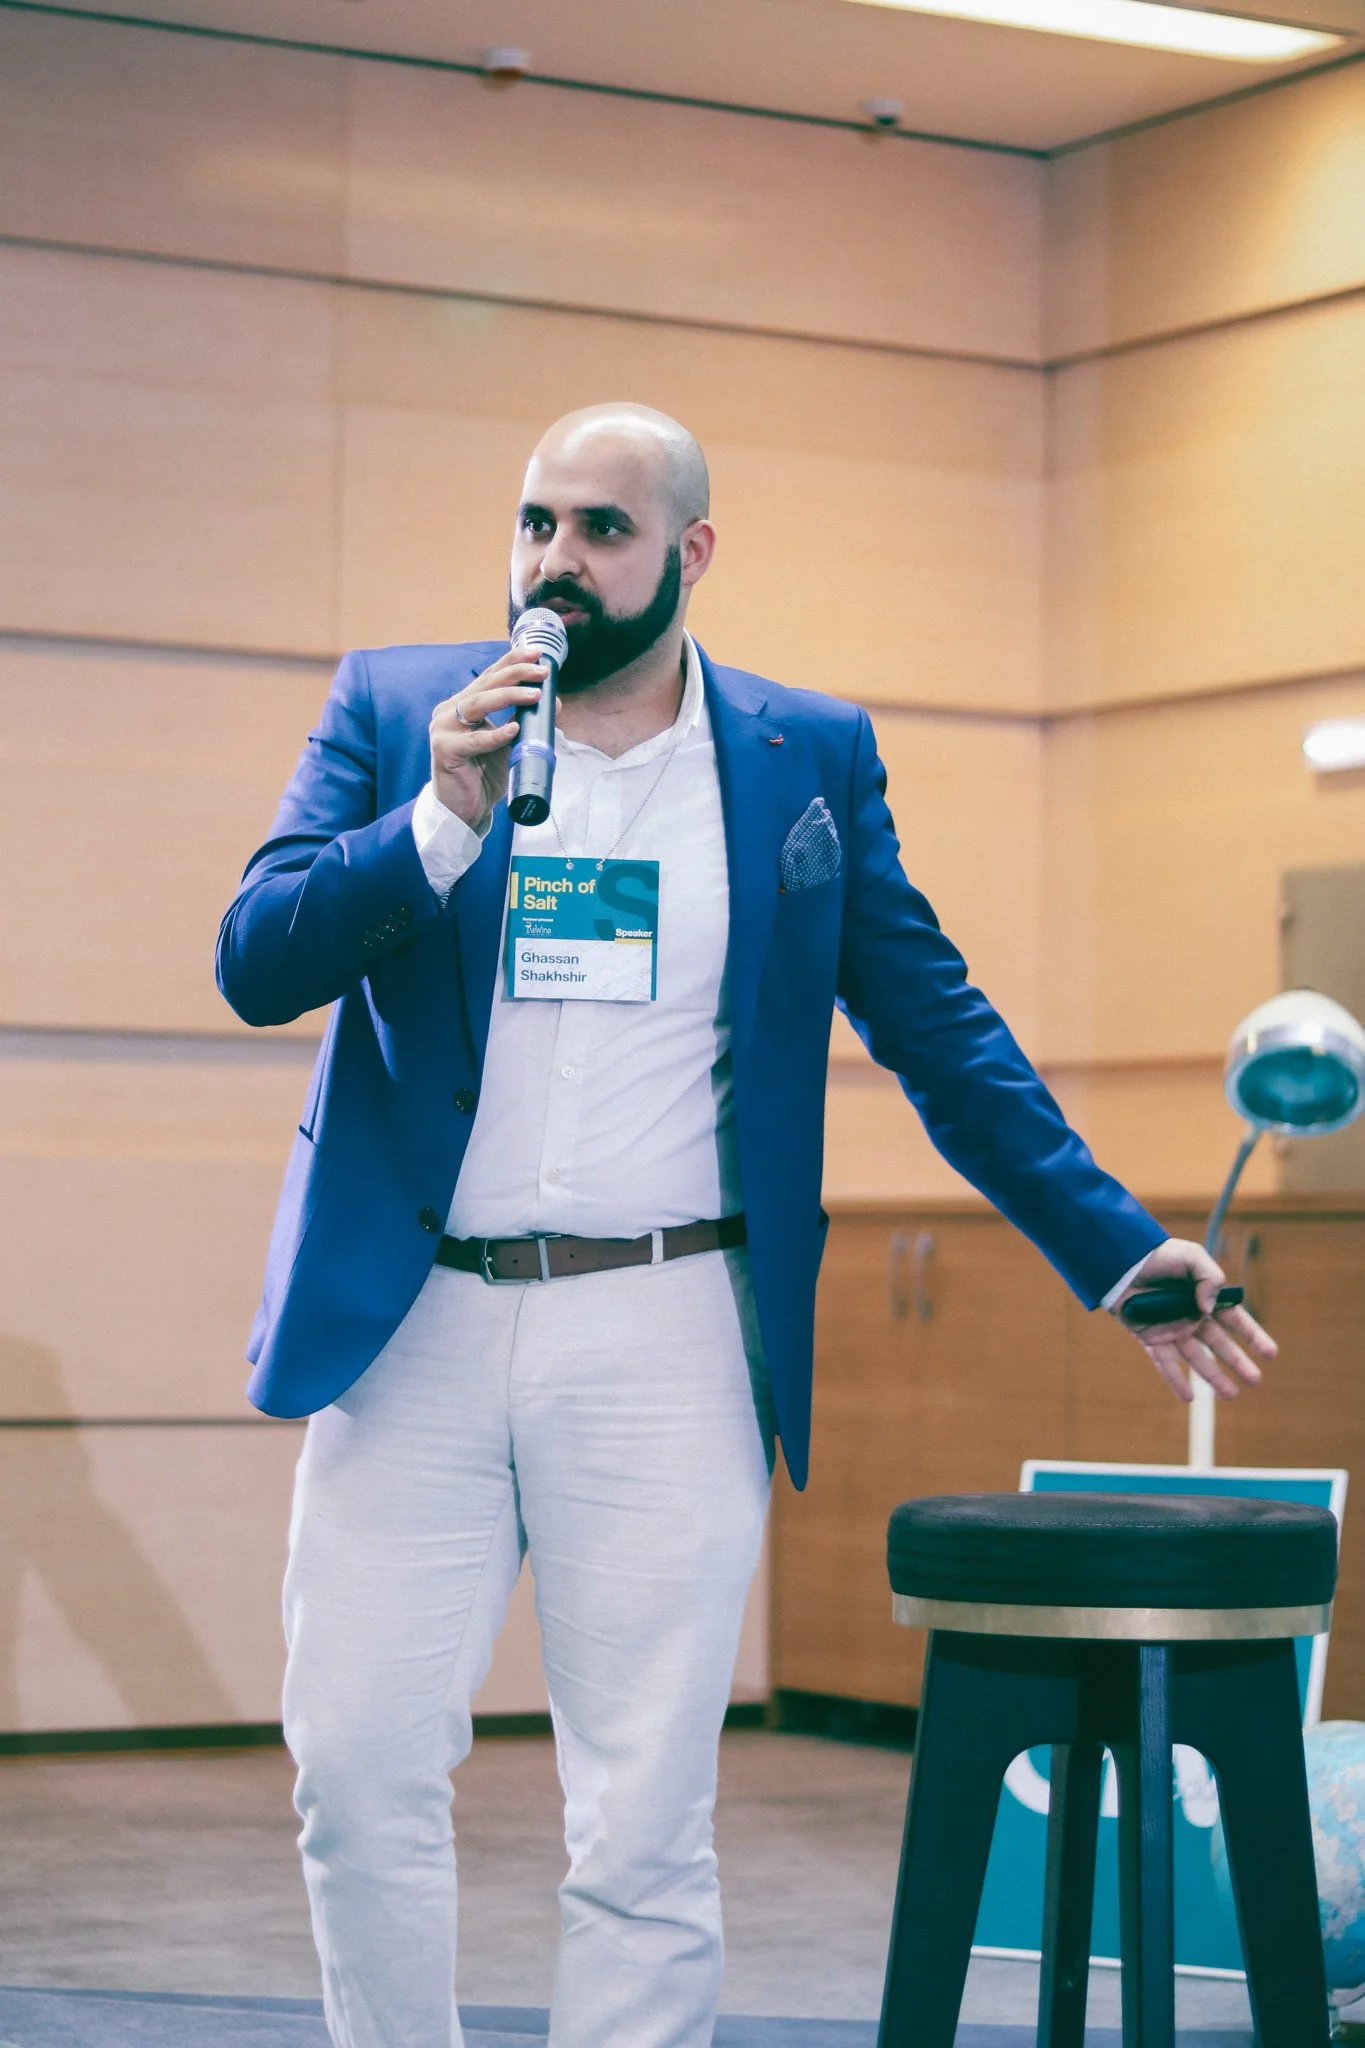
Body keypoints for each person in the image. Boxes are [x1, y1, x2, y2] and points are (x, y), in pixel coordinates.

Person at [217, 402, 1275, 2048]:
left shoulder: (805, 755)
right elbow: (257, 957)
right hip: (410, 1322)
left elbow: (939, 1026)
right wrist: (440, 820)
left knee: (641, 1821)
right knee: (354, 1777)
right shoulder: (402, 706)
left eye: (602, 531)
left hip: (667, 1329)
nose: (553, 564)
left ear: (691, 552)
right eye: (533, 523)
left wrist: (1109, 1243)